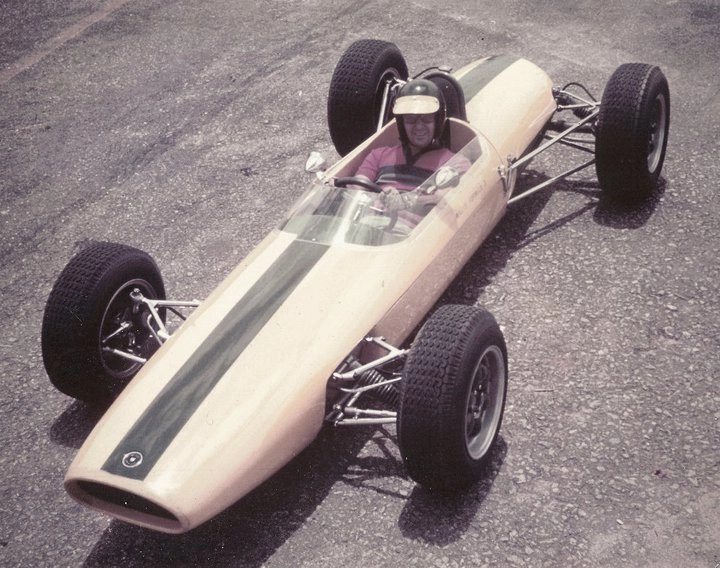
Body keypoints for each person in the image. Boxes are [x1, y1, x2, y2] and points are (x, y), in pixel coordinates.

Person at [354, 78, 470, 218]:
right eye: (410, 119)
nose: (419, 126)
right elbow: (357, 187)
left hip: (413, 235)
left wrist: (405, 201)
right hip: (367, 225)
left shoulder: (454, 162)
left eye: (427, 119)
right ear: (401, 124)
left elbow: (445, 200)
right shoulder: (378, 155)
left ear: (437, 121)